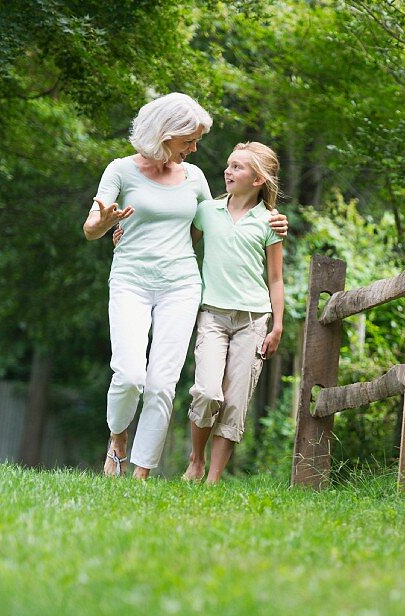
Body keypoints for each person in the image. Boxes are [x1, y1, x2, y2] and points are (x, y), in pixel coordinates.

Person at [83, 93, 287, 479]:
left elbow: (218, 222)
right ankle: (117, 440)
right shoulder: (119, 171)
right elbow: (90, 228)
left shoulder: (193, 177)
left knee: (162, 382)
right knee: (129, 375)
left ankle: (141, 472)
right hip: (130, 279)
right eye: (188, 140)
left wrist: (274, 221)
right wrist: (106, 223)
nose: (194, 149)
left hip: (180, 284)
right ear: (166, 133)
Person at [181, 142, 285, 484]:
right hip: (212, 316)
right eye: (229, 165)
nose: (228, 171)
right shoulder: (207, 211)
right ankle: (196, 461)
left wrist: (277, 326)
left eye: (238, 167)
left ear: (257, 179)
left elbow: (275, 279)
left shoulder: (270, 222)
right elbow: (179, 245)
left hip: (253, 322)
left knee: (235, 404)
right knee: (208, 392)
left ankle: (212, 480)